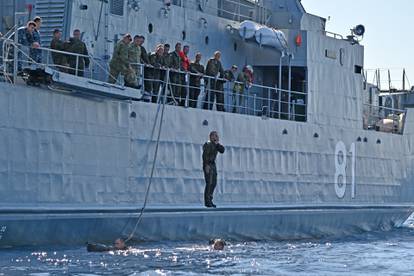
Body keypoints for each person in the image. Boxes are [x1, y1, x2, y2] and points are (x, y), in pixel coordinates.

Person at [202, 131, 225, 208]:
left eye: (217, 136)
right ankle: (207, 201)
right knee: (209, 183)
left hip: (213, 164)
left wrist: (217, 144)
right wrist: (206, 165)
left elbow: (222, 150)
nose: (216, 137)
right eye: (215, 136)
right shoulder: (208, 144)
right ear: (211, 136)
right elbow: (205, 155)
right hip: (208, 164)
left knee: (214, 182)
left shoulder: (215, 145)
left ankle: (210, 199)